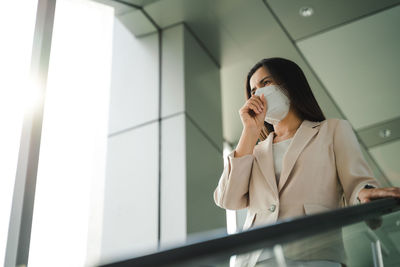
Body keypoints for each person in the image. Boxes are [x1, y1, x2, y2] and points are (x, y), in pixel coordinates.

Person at [213, 58, 400, 267]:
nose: (258, 94)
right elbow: (227, 199)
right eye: (253, 90)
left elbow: (357, 185)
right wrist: (250, 131)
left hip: (313, 254)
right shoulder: (254, 151)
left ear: (289, 84)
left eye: (266, 83)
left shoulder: (332, 130)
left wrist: (365, 193)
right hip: (255, 259)